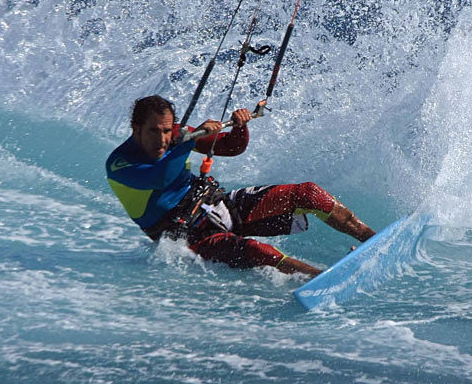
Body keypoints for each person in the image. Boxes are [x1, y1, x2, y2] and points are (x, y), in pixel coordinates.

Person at [105, 94, 376, 276]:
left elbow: (232, 148)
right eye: (154, 131)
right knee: (257, 251)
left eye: (166, 130)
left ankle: (373, 241)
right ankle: (323, 278)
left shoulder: (178, 135)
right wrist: (186, 142)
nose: (162, 139)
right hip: (189, 237)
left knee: (307, 193)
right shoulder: (119, 164)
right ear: (135, 128)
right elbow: (159, 178)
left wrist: (239, 127)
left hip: (218, 204)